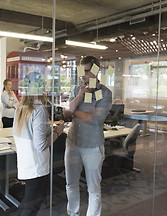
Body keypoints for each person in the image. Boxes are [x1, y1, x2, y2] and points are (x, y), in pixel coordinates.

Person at [63, 56, 112, 216]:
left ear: (96, 71)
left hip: (92, 146)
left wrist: (74, 112)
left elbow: (96, 120)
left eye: (86, 71)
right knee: (71, 184)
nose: (83, 75)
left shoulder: (104, 92)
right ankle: (73, 213)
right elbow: (65, 113)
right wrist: (79, 96)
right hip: (73, 143)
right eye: (81, 71)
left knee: (93, 187)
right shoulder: (77, 88)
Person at [13, 95, 65, 216]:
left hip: (26, 161)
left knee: (28, 201)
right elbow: (41, 145)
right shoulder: (39, 110)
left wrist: (47, 129)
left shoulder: (21, 107)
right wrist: (57, 132)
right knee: (32, 205)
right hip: (37, 165)